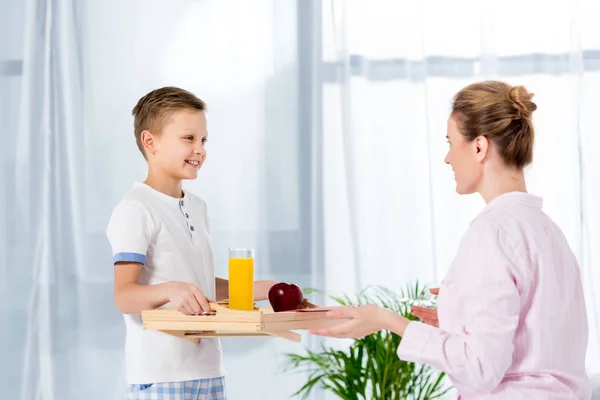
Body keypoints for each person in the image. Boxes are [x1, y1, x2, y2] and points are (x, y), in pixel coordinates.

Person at [310, 81, 592, 399]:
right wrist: (459, 318)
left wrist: (388, 321)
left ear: (478, 147)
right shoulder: (548, 231)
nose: (447, 158)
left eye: (450, 142)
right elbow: (536, 337)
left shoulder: (492, 233)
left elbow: (480, 370)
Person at [106, 86, 279, 399]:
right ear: (150, 141)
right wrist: (172, 289)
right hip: (161, 374)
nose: (200, 149)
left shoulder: (198, 207)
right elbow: (124, 296)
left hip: (209, 369)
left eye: (203, 140)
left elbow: (200, 287)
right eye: (189, 138)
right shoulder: (135, 209)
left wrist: (264, 288)